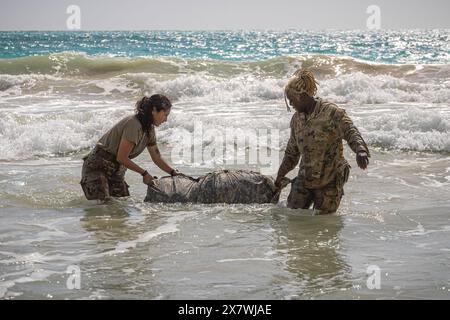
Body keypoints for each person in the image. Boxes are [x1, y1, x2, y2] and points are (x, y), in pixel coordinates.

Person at [275, 69, 370, 213]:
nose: (290, 103)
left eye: (291, 99)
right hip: (306, 178)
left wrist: (361, 150)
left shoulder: (331, 113)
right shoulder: (296, 120)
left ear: (301, 96)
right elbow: (291, 153)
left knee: (324, 224)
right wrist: (280, 175)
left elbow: (350, 130)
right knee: (292, 215)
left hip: (330, 178)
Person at [80, 94, 184, 201]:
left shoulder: (149, 130)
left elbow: (156, 157)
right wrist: (144, 173)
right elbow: (122, 157)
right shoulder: (134, 124)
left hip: (117, 171)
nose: (166, 120)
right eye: (165, 115)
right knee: (104, 209)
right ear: (154, 110)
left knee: (122, 208)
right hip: (97, 168)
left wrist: (172, 172)